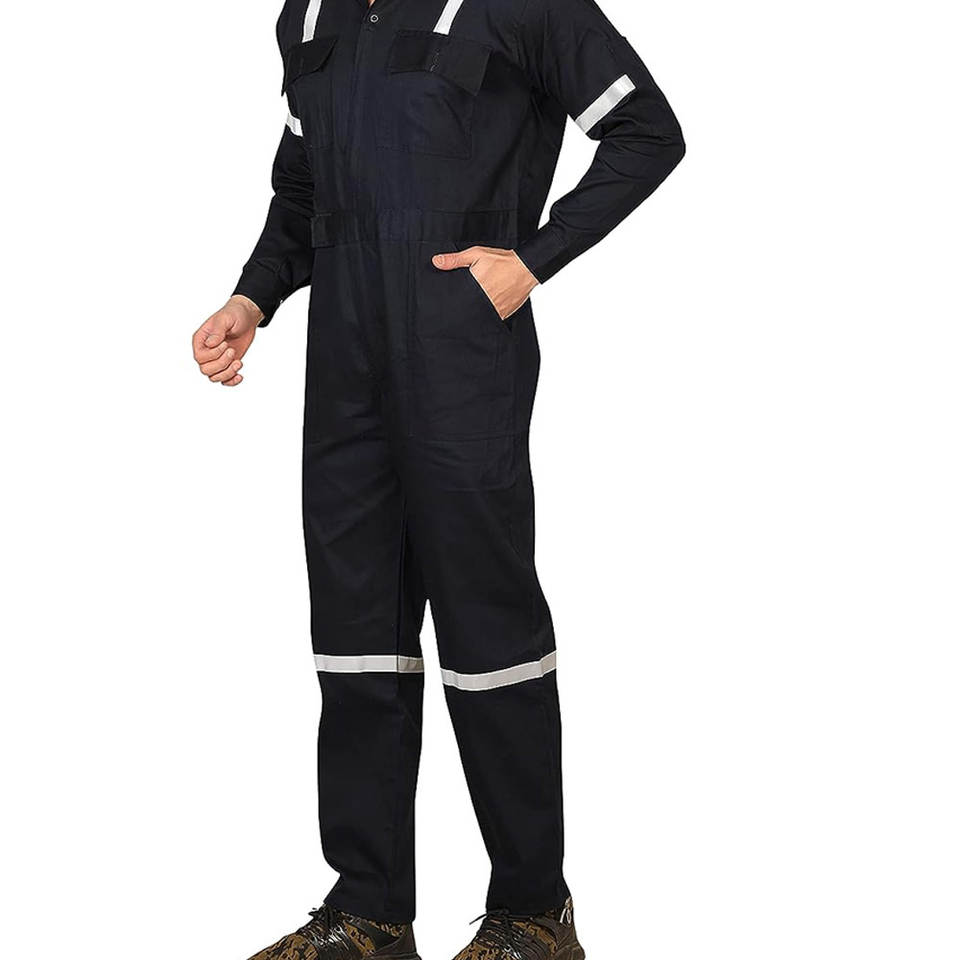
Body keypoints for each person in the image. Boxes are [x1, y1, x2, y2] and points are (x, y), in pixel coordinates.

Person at [192, 0, 683, 956]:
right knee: (355, 635)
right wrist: (254, 294)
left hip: (460, 348)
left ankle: (534, 914)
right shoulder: (310, 14)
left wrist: (533, 261)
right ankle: (370, 913)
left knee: (488, 630)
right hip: (344, 357)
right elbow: (302, 183)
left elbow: (647, 131)